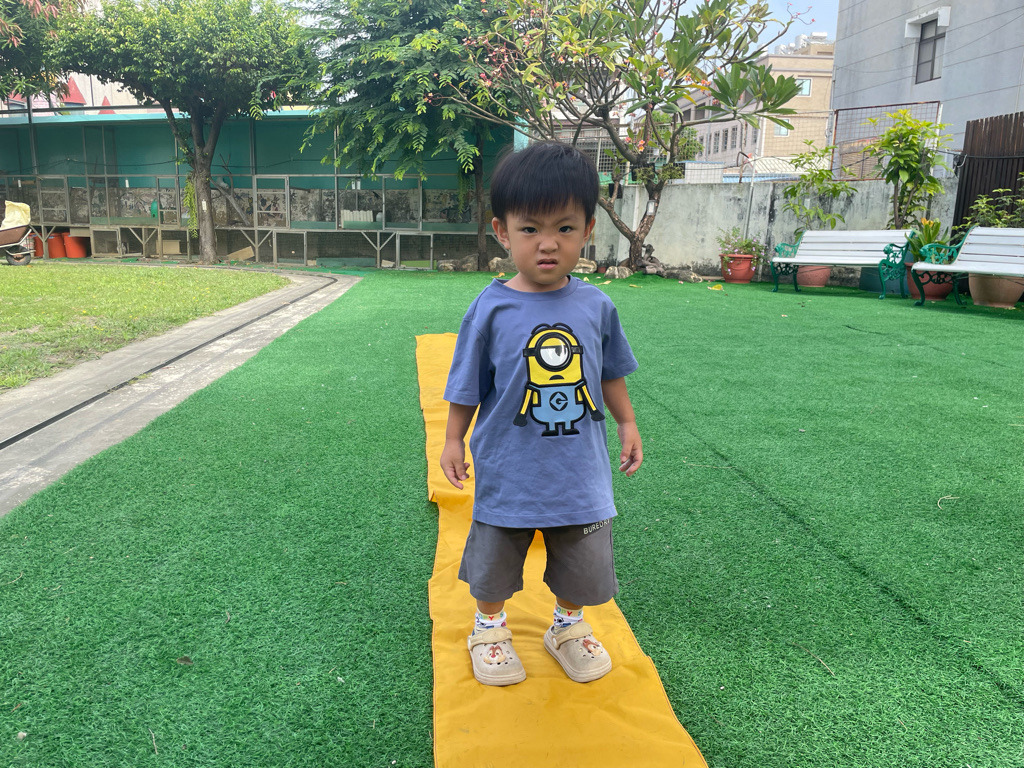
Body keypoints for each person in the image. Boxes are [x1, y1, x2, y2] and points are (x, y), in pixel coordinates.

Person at [440, 141, 643, 686]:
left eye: (565, 228)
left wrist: (626, 422)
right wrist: (453, 439)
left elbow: (610, 372)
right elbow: (466, 383)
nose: (548, 243)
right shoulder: (491, 307)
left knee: (583, 560)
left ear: (588, 230)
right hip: (509, 467)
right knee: (495, 559)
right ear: (502, 231)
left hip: (579, 470)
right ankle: (489, 628)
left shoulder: (596, 306)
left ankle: (567, 626)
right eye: (530, 228)